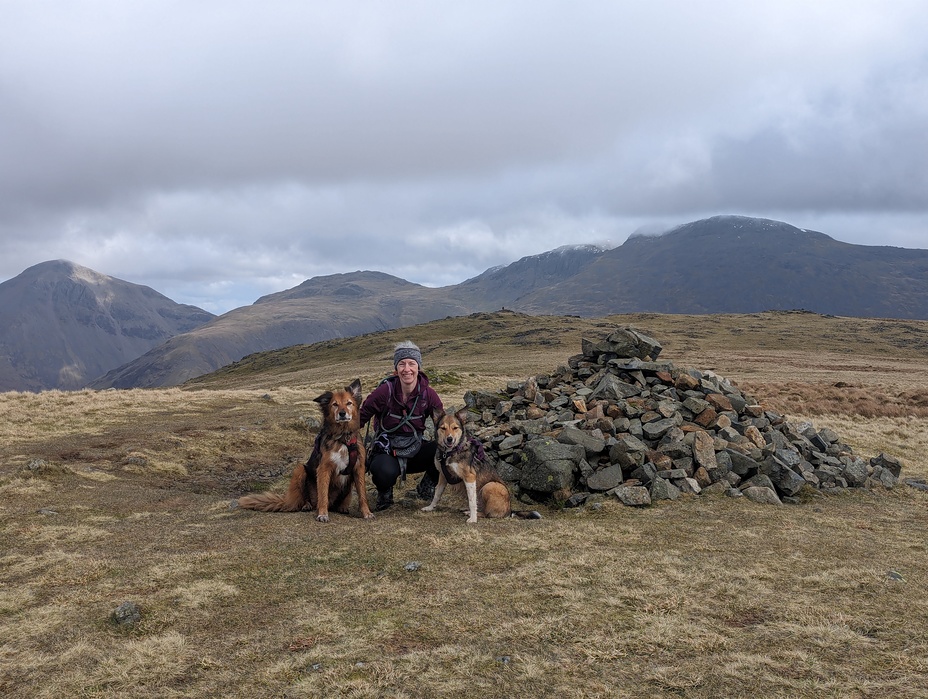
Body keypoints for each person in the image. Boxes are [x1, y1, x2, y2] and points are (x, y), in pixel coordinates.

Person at [360, 341, 444, 511]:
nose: (407, 369)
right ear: (396, 369)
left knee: (442, 451)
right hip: (387, 449)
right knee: (383, 471)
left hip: (415, 447)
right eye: (402, 364)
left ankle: (426, 487)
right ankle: (385, 492)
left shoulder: (428, 394)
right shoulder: (384, 392)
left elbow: (442, 423)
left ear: (419, 367)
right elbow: (360, 417)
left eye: (412, 363)